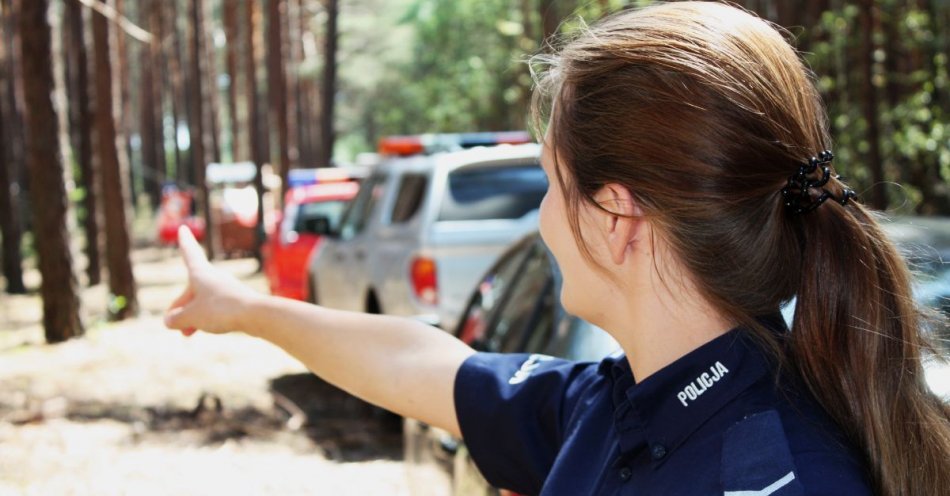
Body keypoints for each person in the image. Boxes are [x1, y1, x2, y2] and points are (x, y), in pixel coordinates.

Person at [165, 2, 950, 495]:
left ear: (617, 216)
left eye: (549, 182)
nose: (539, 217)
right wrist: (241, 308)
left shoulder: (777, 477)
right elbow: (419, 365)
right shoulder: (621, 408)